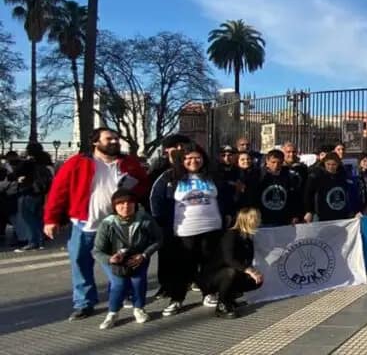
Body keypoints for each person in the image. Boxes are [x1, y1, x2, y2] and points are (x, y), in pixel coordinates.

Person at [44, 127, 149, 321]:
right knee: (80, 264)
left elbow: (144, 185)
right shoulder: (77, 162)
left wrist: (132, 194)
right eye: (109, 139)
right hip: (84, 225)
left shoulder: (129, 163)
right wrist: (51, 219)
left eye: (116, 139)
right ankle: (84, 303)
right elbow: (58, 191)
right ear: (95, 142)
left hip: (115, 228)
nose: (114, 142)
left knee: (118, 266)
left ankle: (120, 295)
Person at [150, 145, 230, 316]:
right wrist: (161, 223)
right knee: (183, 266)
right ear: (181, 160)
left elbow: (225, 196)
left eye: (197, 157)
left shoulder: (212, 176)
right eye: (188, 158)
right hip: (184, 231)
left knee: (209, 264)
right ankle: (176, 298)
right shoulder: (170, 176)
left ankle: (209, 293)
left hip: (212, 228)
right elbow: (156, 199)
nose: (193, 161)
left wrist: (227, 215)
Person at [92, 189, 162, 329]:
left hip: (138, 257)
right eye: (121, 203)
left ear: (135, 204)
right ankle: (113, 313)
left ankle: (139, 308)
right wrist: (110, 259)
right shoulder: (107, 224)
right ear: (114, 206)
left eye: (129, 203)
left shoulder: (144, 219)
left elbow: (158, 239)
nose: (125, 206)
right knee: (119, 284)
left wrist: (144, 255)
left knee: (138, 281)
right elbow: (97, 251)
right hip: (114, 259)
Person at [204, 207, 263, 318]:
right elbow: (229, 259)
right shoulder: (231, 234)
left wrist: (254, 272)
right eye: (257, 218)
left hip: (231, 272)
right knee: (230, 272)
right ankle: (221, 305)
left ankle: (229, 299)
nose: (259, 221)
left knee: (256, 280)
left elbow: (247, 261)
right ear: (248, 220)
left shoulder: (248, 238)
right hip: (213, 276)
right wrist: (249, 271)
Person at [12, 146, 50, 252]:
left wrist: (18, 178)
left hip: (28, 192)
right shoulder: (43, 163)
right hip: (40, 194)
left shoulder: (27, 163)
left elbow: (14, 174)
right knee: (37, 218)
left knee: (28, 218)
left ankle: (33, 242)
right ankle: (40, 241)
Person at [251, 149, 302, 227]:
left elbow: (293, 197)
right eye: (273, 162)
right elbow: (253, 197)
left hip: (283, 220)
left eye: (279, 163)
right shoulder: (258, 176)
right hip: (263, 220)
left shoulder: (288, 176)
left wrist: (295, 215)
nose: (276, 165)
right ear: (267, 161)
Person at [304, 153, 354, 222]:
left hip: (341, 214)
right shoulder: (317, 176)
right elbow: (308, 194)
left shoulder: (343, 176)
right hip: (322, 215)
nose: (331, 167)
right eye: (328, 164)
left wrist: (352, 211)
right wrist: (309, 211)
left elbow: (350, 194)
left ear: (338, 164)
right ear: (324, 163)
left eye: (334, 164)